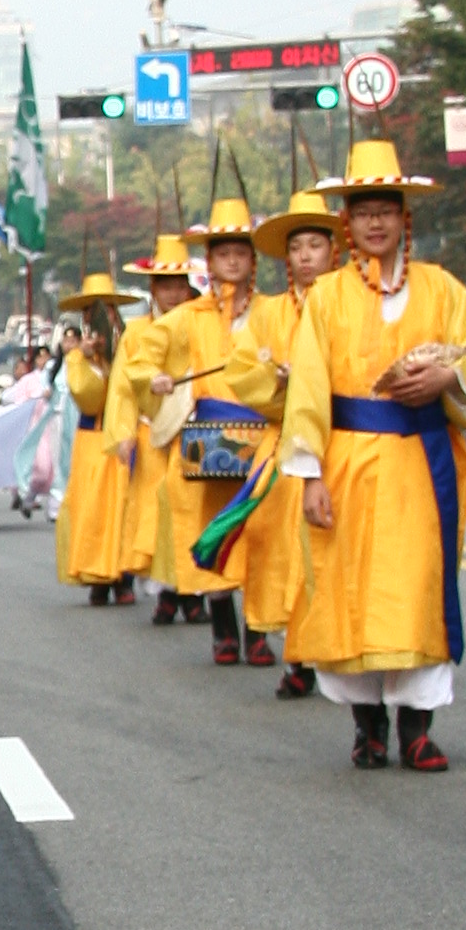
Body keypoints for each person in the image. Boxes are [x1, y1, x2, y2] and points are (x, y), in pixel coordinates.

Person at [275, 140, 466, 772]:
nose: (376, 222)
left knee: (419, 587)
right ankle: (367, 724)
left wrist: (446, 382)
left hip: (423, 462)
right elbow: (309, 390)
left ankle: (418, 728)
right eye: (363, 210)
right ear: (346, 221)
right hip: (348, 459)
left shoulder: (443, 289)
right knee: (349, 592)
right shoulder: (324, 298)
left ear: (406, 217)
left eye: (388, 209)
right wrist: (310, 475)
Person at [159, 199, 289, 665]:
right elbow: (148, 356)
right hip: (210, 442)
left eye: (241, 252)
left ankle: (257, 629)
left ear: (254, 259)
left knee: (259, 533)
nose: (233, 261)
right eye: (223, 253)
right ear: (208, 262)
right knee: (214, 530)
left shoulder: (275, 311)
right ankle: (223, 627)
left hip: (263, 437)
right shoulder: (188, 317)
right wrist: (155, 378)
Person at [248, 193, 338, 696]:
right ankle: (296, 657)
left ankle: (325, 652)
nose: (305, 256)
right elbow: (244, 370)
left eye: (314, 245)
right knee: (285, 554)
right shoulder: (269, 313)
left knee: (326, 554)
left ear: (333, 250)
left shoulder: (352, 303)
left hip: (340, 447)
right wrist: (280, 382)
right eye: (296, 247)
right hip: (282, 447)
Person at [100, 235, 199, 617]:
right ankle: (167, 592)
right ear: (152, 288)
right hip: (153, 431)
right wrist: (123, 433)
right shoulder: (137, 332)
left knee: (191, 509)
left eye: (179, 285)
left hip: (195, 429)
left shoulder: (200, 322)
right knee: (156, 512)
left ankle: (193, 591)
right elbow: (123, 387)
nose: (174, 294)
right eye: (165, 285)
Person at [53, 274, 139, 599]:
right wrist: (81, 357)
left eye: (108, 311)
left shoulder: (130, 348)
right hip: (93, 441)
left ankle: (124, 577)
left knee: (125, 508)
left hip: (125, 438)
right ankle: (98, 578)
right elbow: (86, 395)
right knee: (94, 510)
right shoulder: (79, 358)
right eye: (92, 313)